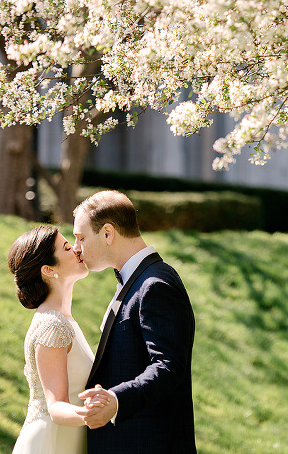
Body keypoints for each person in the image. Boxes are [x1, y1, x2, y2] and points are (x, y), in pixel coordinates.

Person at [72, 190, 196, 453]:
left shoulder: (155, 284)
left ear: (107, 233)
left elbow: (168, 366)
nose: (76, 248)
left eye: (81, 237)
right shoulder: (134, 279)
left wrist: (116, 400)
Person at [9, 225, 108, 454]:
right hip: (50, 443)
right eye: (66, 247)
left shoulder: (64, 320)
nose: (76, 249)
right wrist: (97, 412)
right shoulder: (52, 326)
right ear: (48, 269)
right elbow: (56, 407)